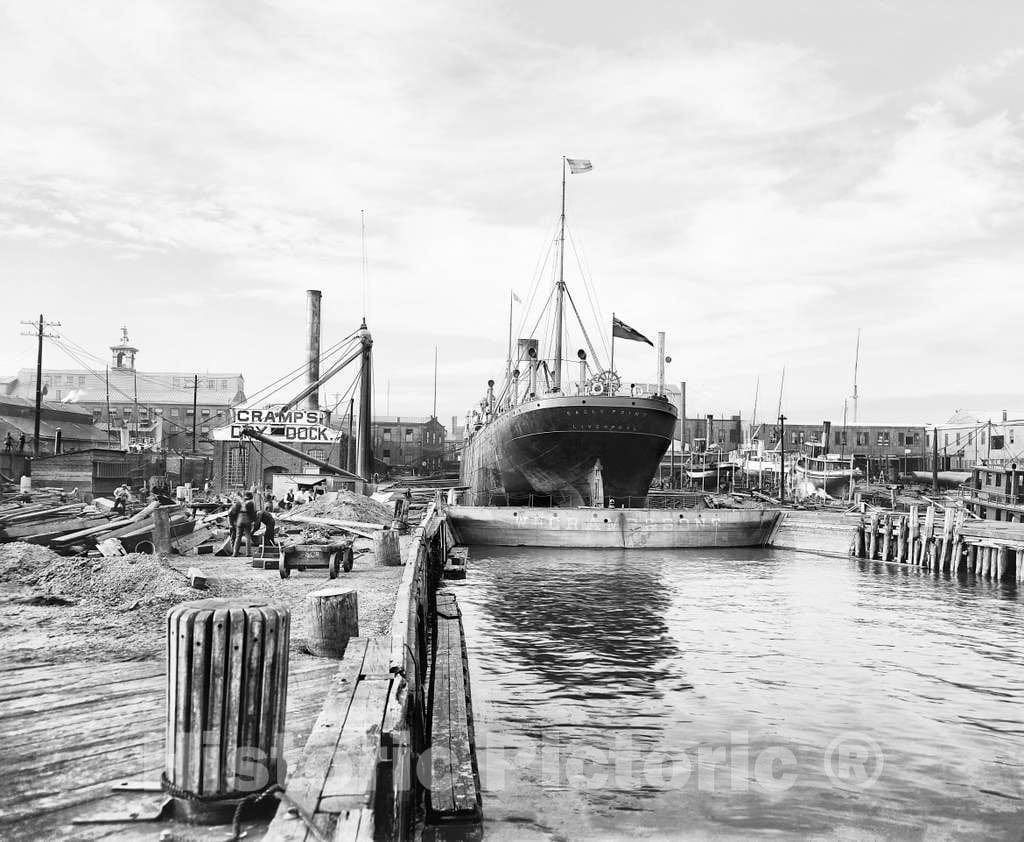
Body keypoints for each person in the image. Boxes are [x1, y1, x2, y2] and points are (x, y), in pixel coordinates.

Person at [232, 491, 258, 557]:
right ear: (250, 496)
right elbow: (254, 513)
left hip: (239, 519)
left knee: (238, 536)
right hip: (247, 519)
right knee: (248, 536)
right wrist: (253, 520)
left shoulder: (239, 502)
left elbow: (234, 512)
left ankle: (235, 553)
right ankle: (248, 553)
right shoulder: (251, 503)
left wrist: (234, 521)